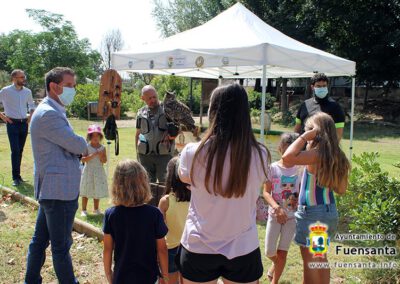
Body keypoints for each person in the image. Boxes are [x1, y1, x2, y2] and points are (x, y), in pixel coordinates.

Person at [177, 84, 270, 284]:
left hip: (199, 245)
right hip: (243, 246)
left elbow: (184, 178)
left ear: (213, 112)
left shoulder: (192, 152)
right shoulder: (261, 154)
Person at [25, 67, 87, 284]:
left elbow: (71, 145)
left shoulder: (52, 110)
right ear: (54, 86)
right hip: (58, 191)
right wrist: (79, 145)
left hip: (53, 189)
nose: (73, 90)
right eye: (69, 86)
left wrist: (74, 146)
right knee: (61, 247)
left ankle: (31, 280)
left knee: (40, 241)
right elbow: (78, 144)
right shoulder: (49, 114)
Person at [282, 112, 350, 284]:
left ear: (315, 132)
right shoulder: (338, 157)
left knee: (311, 262)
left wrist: (304, 137)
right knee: (320, 258)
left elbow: (287, 157)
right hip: (328, 212)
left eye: (307, 129)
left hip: (313, 214)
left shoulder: (317, 154)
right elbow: (341, 189)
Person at [103, 159, 169, 284]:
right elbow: (162, 249)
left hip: (121, 276)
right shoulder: (154, 214)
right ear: (144, 183)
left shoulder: (110, 214)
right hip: (148, 277)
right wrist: (165, 276)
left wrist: (108, 273)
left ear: (116, 185)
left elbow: (107, 248)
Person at [263, 133, 301, 284]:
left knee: (282, 253)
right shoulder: (272, 168)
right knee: (269, 252)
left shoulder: (301, 169)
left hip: (292, 219)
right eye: (286, 149)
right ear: (280, 148)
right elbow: (266, 192)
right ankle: (275, 264)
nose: (289, 153)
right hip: (275, 215)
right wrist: (276, 208)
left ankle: (275, 281)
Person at [158, 157, 191, 284]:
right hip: (189, 249)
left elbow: (158, 229)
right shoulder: (195, 200)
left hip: (170, 248)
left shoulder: (165, 201)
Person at [0, 69, 35, 186]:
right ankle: (15, 177)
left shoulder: (27, 91)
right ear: (14, 78)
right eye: (21, 77)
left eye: (24, 77)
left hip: (24, 123)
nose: (23, 79)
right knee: (15, 150)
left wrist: (30, 117)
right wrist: (4, 118)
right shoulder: (5, 91)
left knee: (20, 150)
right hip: (12, 124)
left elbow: (31, 105)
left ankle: (18, 176)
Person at [135, 85, 176, 183]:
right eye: (149, 98)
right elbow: (137, 134)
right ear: (142, 98)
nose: (153, 100)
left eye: (154, 97)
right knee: (147, 187)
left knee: (165, 185)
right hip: (145, 156)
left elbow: (178, 130)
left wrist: (172, 135)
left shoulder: (168, 110)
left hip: (164, 155)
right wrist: (137, 152)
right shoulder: (140, 113)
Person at [294, 73, 345, 140]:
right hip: (303, 147)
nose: (322, 88)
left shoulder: (335, 107)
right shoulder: (305, 105)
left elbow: (338, 134)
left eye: (324, 86)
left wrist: (331, 149)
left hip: (323, 149)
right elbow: (297, 129)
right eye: (318, 86)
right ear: (312, 87)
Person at [80, 124, 108, 217]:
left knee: (97, 190)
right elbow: (83, 159)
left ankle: (96, 209)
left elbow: (104, 161)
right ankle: (83, 210)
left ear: (100, 136)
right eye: (93, 135)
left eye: (97, 135)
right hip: (89, 170)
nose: (95, 138)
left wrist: (100, 156)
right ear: (90, 137)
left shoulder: (102, 148)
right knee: (86, 190)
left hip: (99, 171)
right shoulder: (87, 147)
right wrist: (92, 156)